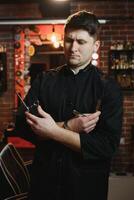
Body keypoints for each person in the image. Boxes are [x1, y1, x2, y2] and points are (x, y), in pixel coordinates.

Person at [14, 10, 123, 200]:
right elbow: (22, 127)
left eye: (81, 42)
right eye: (69, 40)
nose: (73, 48)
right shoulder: (44, 80)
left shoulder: (108, 88)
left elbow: (107, 146)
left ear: (95, 45)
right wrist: (69, 126)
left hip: (86, 187)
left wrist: (53, 131)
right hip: (44, 184)